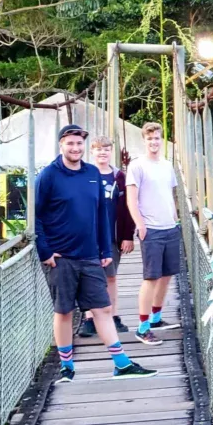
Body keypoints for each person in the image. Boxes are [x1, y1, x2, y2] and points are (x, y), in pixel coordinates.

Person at [35, 124, 157, 382]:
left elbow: (102, 213)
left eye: (79, 144)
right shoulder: (48, 175)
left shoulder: (91, 173)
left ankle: (121, 364)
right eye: (70, 143)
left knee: (102, 308)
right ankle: (67, 368)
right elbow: (35, 214)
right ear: (61, 145)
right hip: (61, 257)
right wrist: (44, 250)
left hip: (90, 255)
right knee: (64, 311)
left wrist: (104, 248)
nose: (75, 148)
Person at [126, 122, 181, 346]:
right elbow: (131, 198)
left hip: (170, 227)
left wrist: (176, 218)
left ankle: (156, 318)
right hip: (151, 229)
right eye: (150, 139)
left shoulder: (167, 166)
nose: (154, 142)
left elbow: (171, 193)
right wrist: (139, 225)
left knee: (167, 275)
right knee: (151, 277)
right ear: (144, 141)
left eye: (157, 138)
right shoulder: (137, 166)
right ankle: (142, 327)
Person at [78, 136, 135, 338]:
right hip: (87, 236)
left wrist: (128, 235)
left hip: (112, 234)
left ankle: (112, 315)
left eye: (106, 149)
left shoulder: (120, 177)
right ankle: (89, 319)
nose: (102, 153)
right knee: (87, 277)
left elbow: (129, 207)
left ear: (111, 152)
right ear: (91, 152)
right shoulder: (83, 174)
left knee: (110, 276)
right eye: (98, 149)